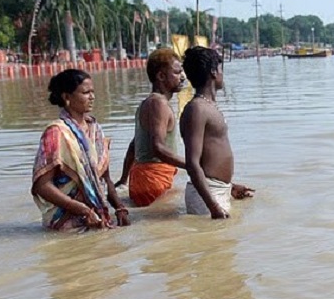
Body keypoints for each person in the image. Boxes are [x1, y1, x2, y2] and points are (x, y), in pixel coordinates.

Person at [31, 69, 131, 231]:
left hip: (98, 217)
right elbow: (41, 186)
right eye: (85, 92)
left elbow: (104, 179)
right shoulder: (56, 132)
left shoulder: (95, 130)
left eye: (92, 92)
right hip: (66, 221)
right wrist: (82, 209)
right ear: (67, 97)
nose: (92, 97)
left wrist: (119, 207)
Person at [179, 46, 254, 218]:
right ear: (213, 71)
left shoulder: (208, 106)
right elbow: (192, 163)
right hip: (207, 196)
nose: (222, 74)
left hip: (217, 190)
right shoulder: (197, 109)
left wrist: (230, 187)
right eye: (221, 69)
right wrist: (213, 205)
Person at [115, 48, 187, 207]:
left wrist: (123, 180)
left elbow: (134, 146)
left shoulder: (149, 103)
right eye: (177, 72)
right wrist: (192, 165)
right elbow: (158, 148)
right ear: (161, 76)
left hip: (146, 180)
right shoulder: (158, 104)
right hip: (152, 181)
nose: (183, 77)